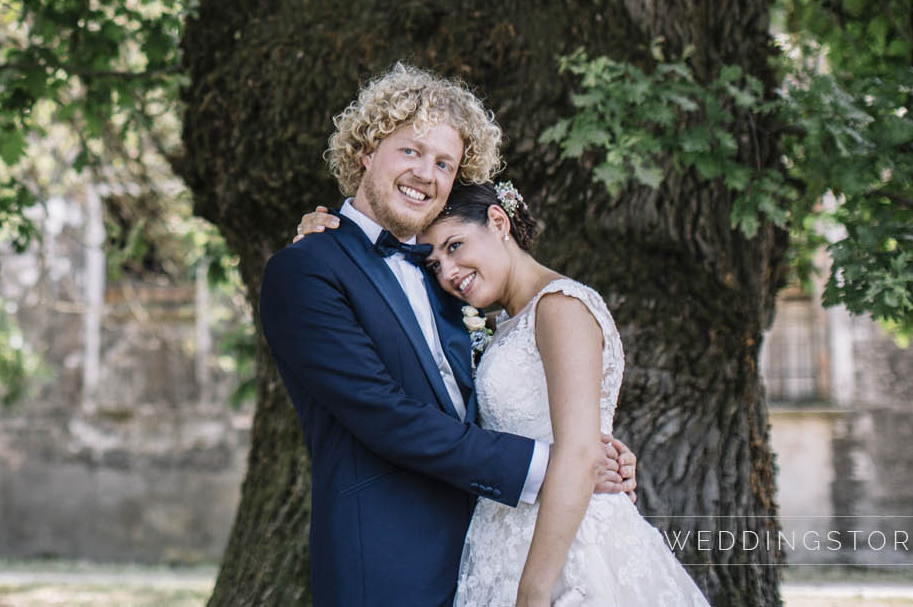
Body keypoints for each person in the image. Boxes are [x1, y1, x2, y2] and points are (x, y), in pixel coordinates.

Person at [259, 64, 637, 607]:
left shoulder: (444, 280)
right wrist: (553, 464)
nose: (425, 173)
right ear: (366, 150)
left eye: (444, 163)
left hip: (483, 551)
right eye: (410, 151)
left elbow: (474, 407)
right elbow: (385, 414)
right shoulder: (306, 269)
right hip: (385, 563)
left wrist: (586, 451)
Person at [295, 179, 710, 607]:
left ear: (498, 221)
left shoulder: (561, 307)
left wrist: (533, 592)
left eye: (454, 246)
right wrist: (329, 239)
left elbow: (580, 453)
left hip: (563, 551)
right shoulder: (494, 326)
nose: (449, 272)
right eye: (434, 264)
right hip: (498, 544)